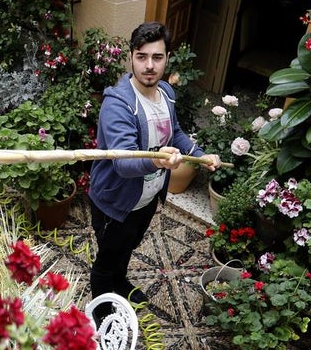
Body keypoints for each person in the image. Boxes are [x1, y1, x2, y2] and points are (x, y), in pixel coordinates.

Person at [87, 21, 220, 304]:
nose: (149, 65)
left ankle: (120, 283)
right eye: (142, 57)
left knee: (128, 248)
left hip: (146, 198)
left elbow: (177, 132)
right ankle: (102, 307)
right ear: (131, 58)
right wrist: (160, 161)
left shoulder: (166, 94)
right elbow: (123, 163)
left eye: (157, 57)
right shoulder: (118, 104)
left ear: (167, 58)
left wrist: (199, 154)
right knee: (107, 260)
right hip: (116, 201)